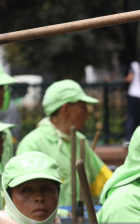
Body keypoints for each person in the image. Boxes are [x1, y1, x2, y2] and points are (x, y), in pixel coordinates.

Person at [17, 80, 112, 210]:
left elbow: (104, 183)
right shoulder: (32, 144)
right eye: (83, 106)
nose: (87, 112)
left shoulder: (79, 140)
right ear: (65, 109)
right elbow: (24, 198)